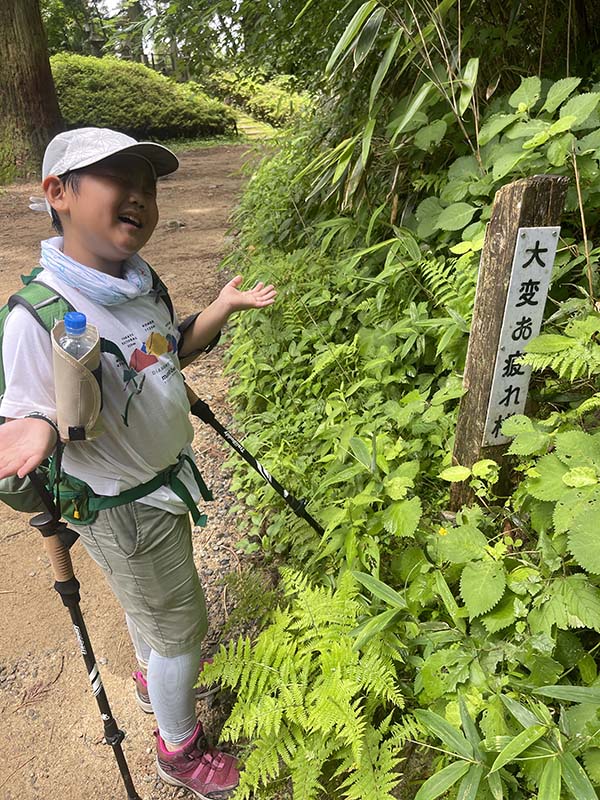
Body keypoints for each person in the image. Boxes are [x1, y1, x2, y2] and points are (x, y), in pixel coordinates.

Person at [0, 127, 276, 798]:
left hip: (156, 492)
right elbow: (27, 411)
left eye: (149, 188)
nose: (140, 199)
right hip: (120, 506)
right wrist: (33, 430)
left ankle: (154, 677)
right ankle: (178, 751)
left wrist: (220, 308)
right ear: (57, 193)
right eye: (119, 181)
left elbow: (164, 351)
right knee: (184, 628)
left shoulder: (134, 281)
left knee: (152, 608)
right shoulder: (39, 315)